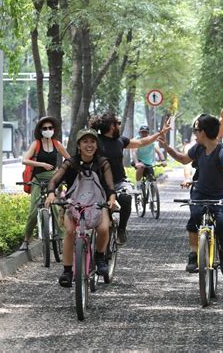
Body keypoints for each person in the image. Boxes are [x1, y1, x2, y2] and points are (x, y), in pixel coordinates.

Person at [158, 82, 223, 275]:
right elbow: (184, 159)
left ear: (204, 132)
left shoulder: (222, 150)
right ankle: (194, 254)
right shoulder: (198, 148)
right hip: (200, 192)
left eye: (196, 130)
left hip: (220, 195)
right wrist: (168, 149)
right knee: (194, 218)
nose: (194, 134)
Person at [45, 128, 117, 287]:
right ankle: (67, 271)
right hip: (73, 204)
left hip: (98, 202)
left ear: (97, 145)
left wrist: (111, 199)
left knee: (104, 228)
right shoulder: (70, 163)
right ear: (79, 145)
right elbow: (53, 181)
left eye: (92, 141)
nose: (89, 145)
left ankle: (99, 258)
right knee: (70, 232)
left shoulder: (103, 163)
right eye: (85, 141)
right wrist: (51, 193)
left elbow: (110, 187)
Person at [89, 112, 171, 245]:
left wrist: (160, 133)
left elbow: (141, 142)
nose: (120, 126)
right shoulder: (95, 141)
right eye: (118, 124)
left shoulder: (121, 141)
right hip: (98, 184)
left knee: (126, 197)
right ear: (111, 126)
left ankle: (121, 229)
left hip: (119, 182)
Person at [19, 117, 70, 251]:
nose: (48, 130)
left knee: (55, 207)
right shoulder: (36, 144)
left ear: (54, 130)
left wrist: (62, 170)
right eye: (45, 128)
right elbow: (24, 160)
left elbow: (69, 159)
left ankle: (62, 236)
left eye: (50, 128)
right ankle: (26, 240)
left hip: (54, 180)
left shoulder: (57, 144)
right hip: (38, 180)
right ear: (40, 130)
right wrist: (41, 164)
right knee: (33, 211)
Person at [131, 125, 167, 192]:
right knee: (141, 167)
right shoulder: (136, 140)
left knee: (153, 181)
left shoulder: (152, 141)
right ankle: (138, 185)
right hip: (138, 161)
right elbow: (134, 152)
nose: (144, 134)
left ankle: (153, 198)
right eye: (142, 132)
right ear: (139, 133)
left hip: (148, 163)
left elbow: (159, 152)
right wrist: (136, 163)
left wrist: (163, 160)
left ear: (148, 133)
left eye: (145, 132)